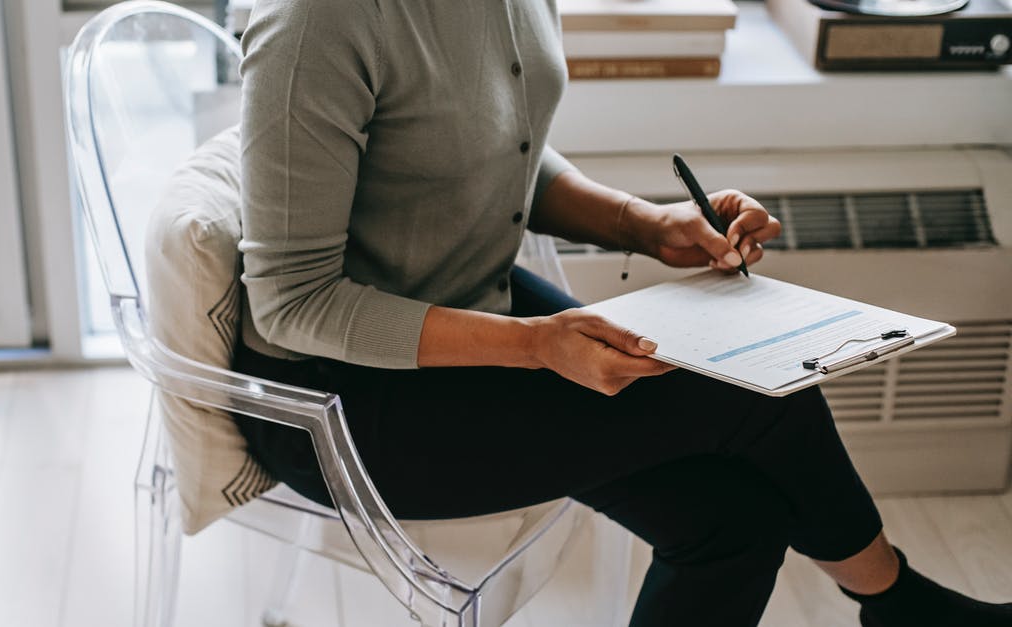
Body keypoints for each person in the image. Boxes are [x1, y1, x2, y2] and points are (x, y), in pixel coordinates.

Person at [228, 0, 1012, 625]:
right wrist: (536, 346)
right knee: (760, 394)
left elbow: (496, 151)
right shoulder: (315, 21)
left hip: (471, 298)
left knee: (733, 523)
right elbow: (294, 301)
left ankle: (899, 604)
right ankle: (899, 601)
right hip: (337, 400)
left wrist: (649, 224)